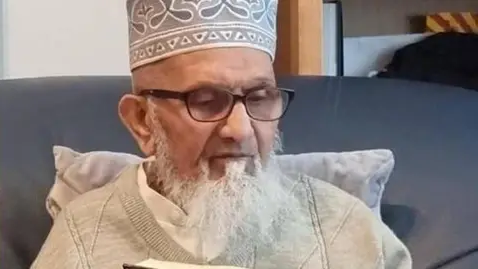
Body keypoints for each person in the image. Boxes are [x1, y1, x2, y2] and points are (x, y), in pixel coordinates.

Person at [31, 0, 412, 268]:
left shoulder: (348, 229)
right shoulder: (84, 237)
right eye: (206, 100)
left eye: (260, 98)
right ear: (143, 121)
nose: (241, 130)